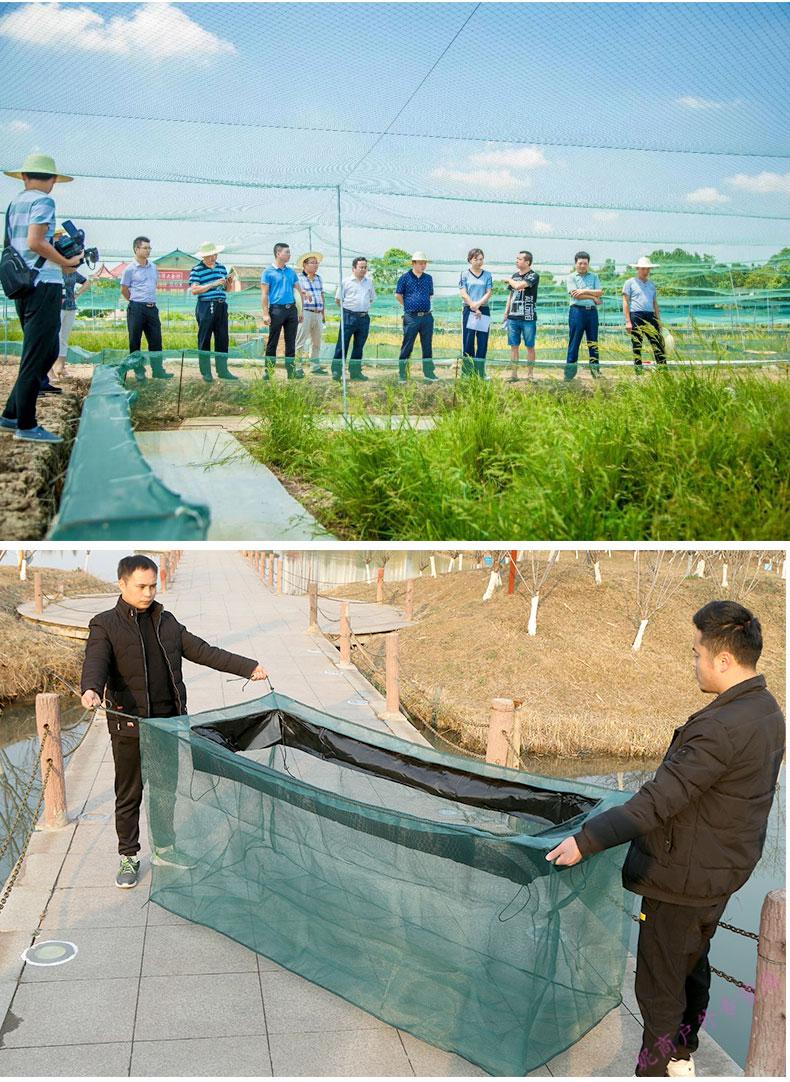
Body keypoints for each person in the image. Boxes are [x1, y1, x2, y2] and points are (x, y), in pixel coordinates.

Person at [546, 601, 785, 1078]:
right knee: (693, 965)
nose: (693, 661)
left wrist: (588, 839)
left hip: (681, 878)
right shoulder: (765, 709)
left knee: (657, 987)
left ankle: (652, 1070)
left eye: (697, 652)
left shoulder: (721, 728)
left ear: (723, 660)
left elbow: (658, 801)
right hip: (721, 872)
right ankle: (682, 1054)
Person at [80, 554, 269, 889]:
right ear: (122, 584)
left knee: (165, 791)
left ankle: (166, 848)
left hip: (169, 724)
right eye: (141, 586)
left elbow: (205, 651)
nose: (148, 592)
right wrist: (91, 689)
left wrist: (247, 666)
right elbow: (95, 660)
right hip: (129, 726)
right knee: (129, 794)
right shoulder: (104, 624)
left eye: (153, 585)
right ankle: (128, 856)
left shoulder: (167, 623)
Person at [0, 152, 82, 444]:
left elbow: (16, 244)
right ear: (53, 181)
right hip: (42, 285)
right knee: (39, 352)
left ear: (24, 176)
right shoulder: (44, 201)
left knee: (43, 350)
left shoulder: (14, 204)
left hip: (21, 283)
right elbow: (36, 242)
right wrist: (66, 261)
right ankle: (26, 423)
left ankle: (11, 414)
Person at [120, 236, 173, 381]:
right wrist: (135, 301)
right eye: (145, 248)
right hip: (136, 308)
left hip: (152, 308)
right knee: (135, 340)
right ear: (136, 249)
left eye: (149, 248)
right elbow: (124, 289)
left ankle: (157, 370)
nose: (148, 250)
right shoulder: (129, 269)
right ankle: (139, 371)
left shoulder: (153, 267)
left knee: (156, 340)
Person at [188, 241, 239, 382]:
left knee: (222, 338)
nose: (213, 257)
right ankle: (206, 372)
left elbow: (227, 291)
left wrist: (228, 283)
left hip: (221, 305)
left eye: (215, 254)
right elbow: (195, 290)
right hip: (206, 305)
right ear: (204, 256)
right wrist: (213, 284)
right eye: (210, 255)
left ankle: (222, 370)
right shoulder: (197, 269)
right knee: (205, 339)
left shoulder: (222, 268)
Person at [46, 226, 89, 389]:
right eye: (58, 237)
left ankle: (60, 367)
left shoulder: (69, 268)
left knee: (63, 336)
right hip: (54, 305)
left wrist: (76, 295)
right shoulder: (51, 265)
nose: (62, 241)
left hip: (69, 305)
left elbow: (85, 280)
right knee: (52, 337)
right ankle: (48, 370)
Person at [261, 242, 304, 380]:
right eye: (287, 252)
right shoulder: (268, 272)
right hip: (276, 310)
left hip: (291, 310)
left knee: (291, 342)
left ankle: (291, 373)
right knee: (272, 342)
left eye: (289, 252)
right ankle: (269, 371)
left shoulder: (291, 272)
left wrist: (300, 311)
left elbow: (298, 291)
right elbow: (265, 294)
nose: (289, 255)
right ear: (278, 253)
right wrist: (266, 313)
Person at [395, 251, 438, 383]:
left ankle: (429, 373)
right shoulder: (404, 278)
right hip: (411, 317)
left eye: (424, 263)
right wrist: (408, 306)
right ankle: (402, 373)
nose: (423, 265)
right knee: (407, 345)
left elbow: (430, 295)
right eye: (420, 263)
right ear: (413, 263)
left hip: (426, 317)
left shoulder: (428, 278)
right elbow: (398, 295)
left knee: (427, 345)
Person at [333, 256, 376, 382]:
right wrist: (349, 310)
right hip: (348, 316)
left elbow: (372, 298)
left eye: (365, 267)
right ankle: (337, 371)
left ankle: (355, 372)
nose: (363, 270)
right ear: (354, 268)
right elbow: (338, 300)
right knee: (342, 344)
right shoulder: (346, 282)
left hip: (363, 318)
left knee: (359, 346)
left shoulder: (369, 282)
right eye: (361, 267)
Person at [565, 251, 604, 381]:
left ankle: (595, 370)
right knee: (574, 341)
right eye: (580, 263)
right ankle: (569, 373)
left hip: (592, 312)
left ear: (588, 264)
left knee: (593, 342)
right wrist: (593, 296)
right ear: (575, 263)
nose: (582, 265)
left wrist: (584, 290)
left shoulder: (594, 276)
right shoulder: (571, 277)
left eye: (585, 263)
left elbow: (600, 292)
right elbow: (575, 295)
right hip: (577, 312)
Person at [503, 250, 540, 382]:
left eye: (519, 259)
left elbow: (518, 286)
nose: (516, 261)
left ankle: (530, 375)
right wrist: (506, 312)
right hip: (513, 318)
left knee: (530, 346)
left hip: (528, 318)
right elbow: (511, 294)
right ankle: (514, 375)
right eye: (517, 258)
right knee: (514, 346)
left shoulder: (533, 276)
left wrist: (509, 280)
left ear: (527, 262)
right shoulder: (515, 275)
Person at [623, 257, 666, 371]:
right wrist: (628, 321)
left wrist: (658, 321)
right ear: (638, 269)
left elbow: (655, 303)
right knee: (637, 344)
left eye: (648, 269)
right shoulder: (630, 282)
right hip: (636, 315)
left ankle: (663, 369)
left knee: (657, 342)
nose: (645, 271)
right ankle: (638, 370)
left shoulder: (652, 285)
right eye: (643, 269)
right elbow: (625, 301)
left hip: (650, 315)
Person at [458, 248, 493, 379]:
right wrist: (473, 306)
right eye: (476, 259)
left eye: (481, 259)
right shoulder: (464, 274)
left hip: (483, 310)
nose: (479, 262)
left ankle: (480, 371)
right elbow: (463, 292)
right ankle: (467, 371)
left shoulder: (487, 274)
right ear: (469, 260)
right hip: (469, 309)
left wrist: (478, 305)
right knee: (468, 341)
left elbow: (489, 292)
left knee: (482, 341)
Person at [295, 252, 327, 376]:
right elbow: (295, 291)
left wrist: (323, 313)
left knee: (317, 341)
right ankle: (297, 367)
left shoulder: (319, 278)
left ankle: (315, 366)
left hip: (318, 313)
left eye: (316, 263)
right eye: (313, 263)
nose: (316, 265)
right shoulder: (298, 278)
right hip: (305, 312)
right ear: (305, 264)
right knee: (300, 341)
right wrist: (303, 292)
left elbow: (322, 295)